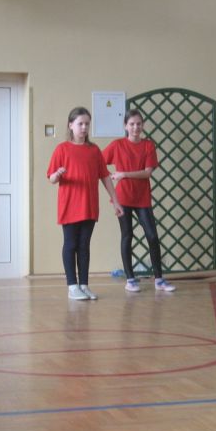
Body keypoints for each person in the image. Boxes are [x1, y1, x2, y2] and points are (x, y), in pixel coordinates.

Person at [47, 107, 123, 301]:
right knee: (70, 244)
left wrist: (115, 201)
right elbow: (51, 178)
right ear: (70, 125)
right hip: (70, 205)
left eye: (87, 124)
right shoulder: (62, 149)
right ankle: (72, 286)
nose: (83, 127)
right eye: (80, 123)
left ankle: (83, 285)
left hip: (89, 205)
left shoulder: (94, 150)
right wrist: (57, 175)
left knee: (84, 245)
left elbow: (105, 177)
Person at [102, 109, 176, 293]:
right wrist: (111, 176)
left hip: (142, 198)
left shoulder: (148, 145)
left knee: (152, 236)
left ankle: (159, 279)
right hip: (123, 197)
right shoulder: (117, 145)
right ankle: (130, 279)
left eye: (139, 124)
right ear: (125, 126)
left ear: (143, 125)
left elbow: (147, 173)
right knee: (127, 235)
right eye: (132, 124)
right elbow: (99, 162)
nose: (136, 127)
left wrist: (123, 174)